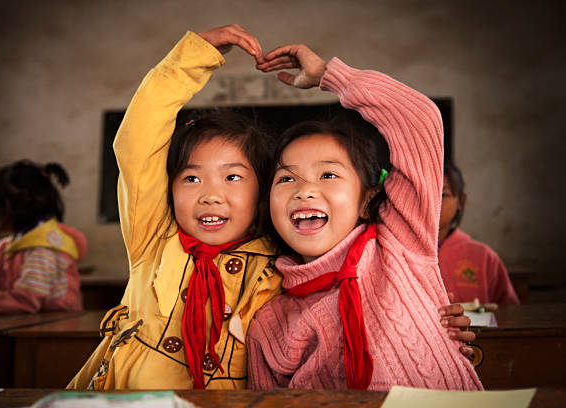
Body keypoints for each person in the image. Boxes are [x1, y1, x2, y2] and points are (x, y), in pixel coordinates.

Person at [68, 25, 474, 391]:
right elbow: (137, 145)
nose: (210, 195)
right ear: (274, 199)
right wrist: (188, 62)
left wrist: (330, 76)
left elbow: (419, 123)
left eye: (232, 177)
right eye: (192, 178)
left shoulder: (393, 247)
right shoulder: (163, 242)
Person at [247, 43, 483, 390]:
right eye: (287, 178)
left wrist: (331, 76)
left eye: (328, 175)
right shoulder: (269, 324)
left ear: (366, 199)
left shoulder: (399, 242)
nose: (305, 191)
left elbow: (419, 121)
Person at [0, 160, 86, 314]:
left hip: (50, 334)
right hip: (21, 330)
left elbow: (25, 301)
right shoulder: (7, 246)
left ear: (7, 205)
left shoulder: (43, 249)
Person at [438, 160, 519, 305]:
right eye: (424, 193)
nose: (431, 201)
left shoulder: (483, 257)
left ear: (461, 202)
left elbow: (510, 315)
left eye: (443, 195)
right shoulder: (396, 252)